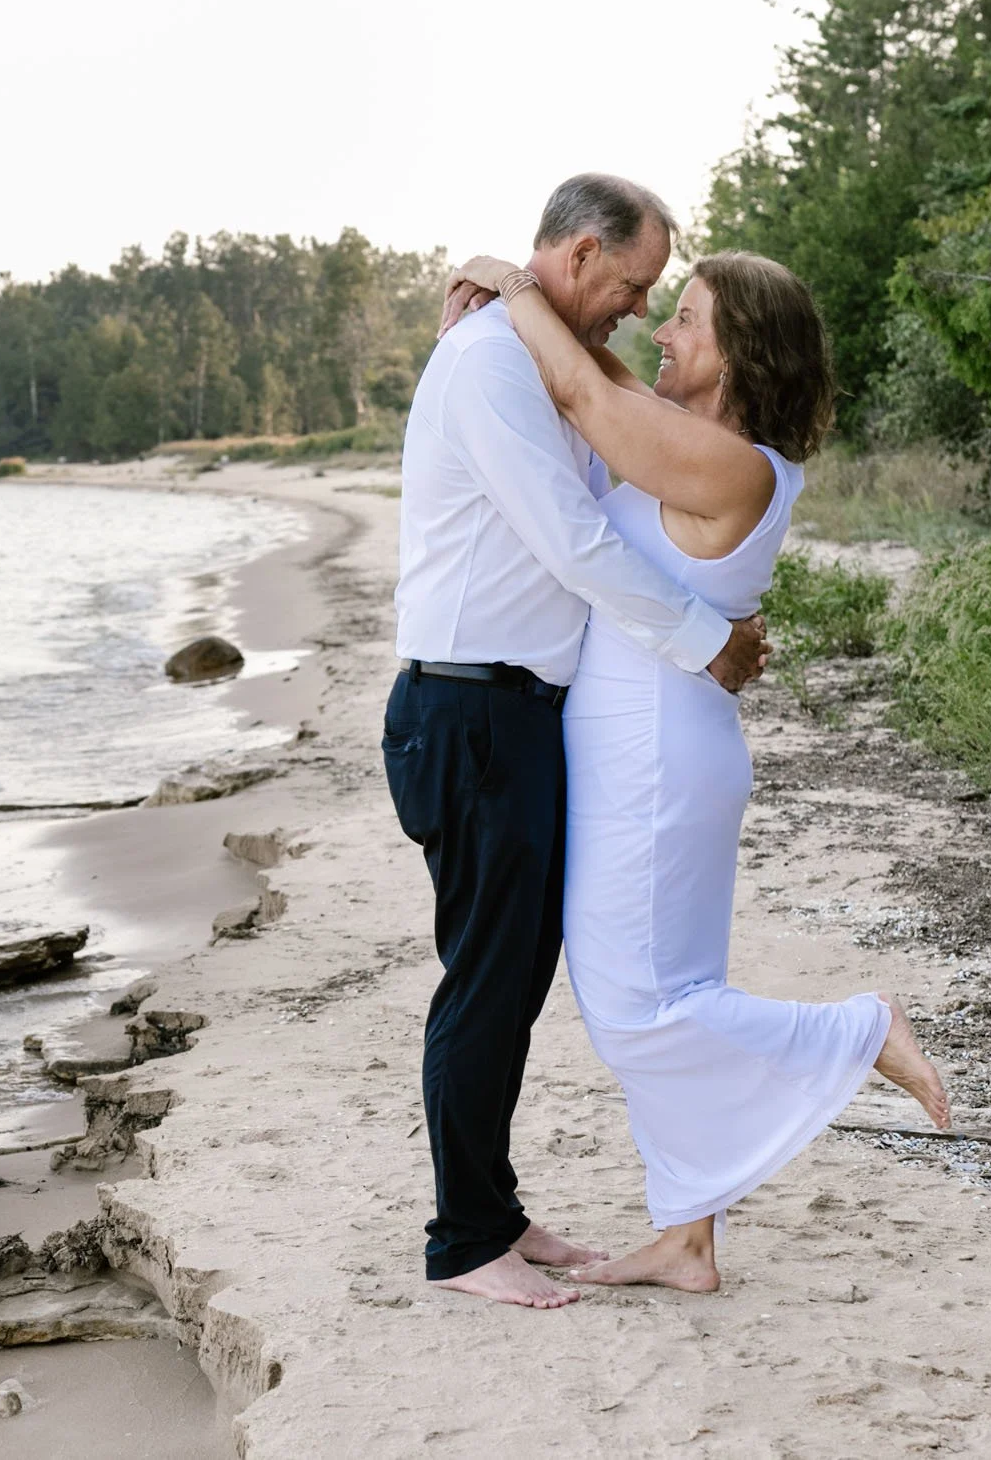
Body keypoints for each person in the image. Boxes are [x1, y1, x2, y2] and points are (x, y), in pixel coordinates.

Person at [440, 244, 951, 1295]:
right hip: (655, 741)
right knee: (672, 987)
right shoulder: (697, 442)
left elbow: (583, 385)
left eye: (686, 318)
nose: (659, 334)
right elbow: (607, 383)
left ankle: (862, 1029)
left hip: (658, 758)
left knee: (639, 1006)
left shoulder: (733, 464)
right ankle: (686, 1238)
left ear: (736, 354)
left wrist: (519, 287)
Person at [384, 174, 771, 1310]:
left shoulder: (532, 349)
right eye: (635, 286)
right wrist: (704, 640)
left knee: (513, 974)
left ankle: (494, 1210)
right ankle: (464, 1243)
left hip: (512, 712)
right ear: (588, 253)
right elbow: (569, 543)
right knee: (487, 977)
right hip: (467, 709)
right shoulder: (493, 361)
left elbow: (605, 496)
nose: (637, 312)